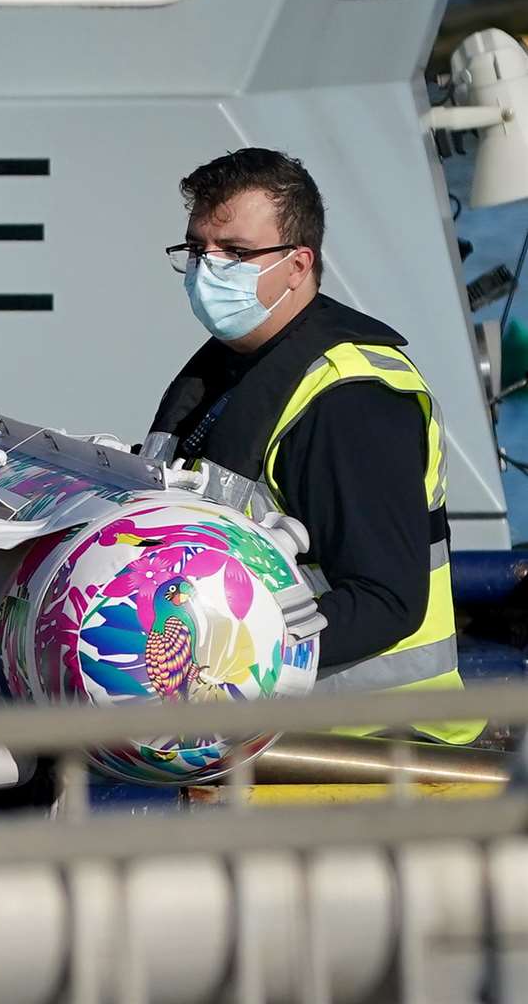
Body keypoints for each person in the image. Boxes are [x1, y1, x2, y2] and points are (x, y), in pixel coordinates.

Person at [146, 148, 478, 744]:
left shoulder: (351, 402)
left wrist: (225, 658)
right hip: (265, 736)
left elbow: (384, 601)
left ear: (299, 265)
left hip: (373, 750)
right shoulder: (231, 371)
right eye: (198, 250)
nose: (207, 269)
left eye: (237, 253)